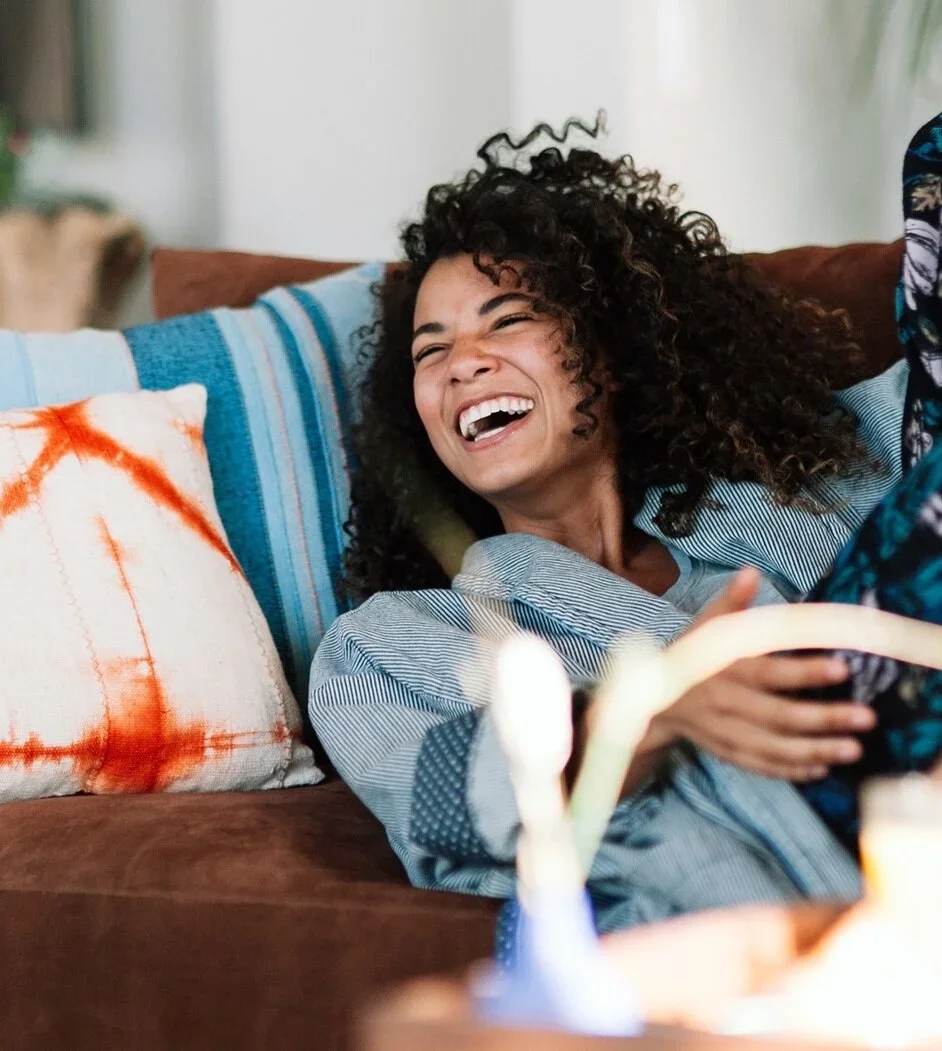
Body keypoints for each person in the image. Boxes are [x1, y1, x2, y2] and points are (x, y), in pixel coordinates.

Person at [310, 113, 942, 939]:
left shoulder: (783, 487)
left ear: (607, 352)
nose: (464, 361)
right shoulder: (387, 638)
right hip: (772, 847)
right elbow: (442, 800)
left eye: (506, 320)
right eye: (431, 352)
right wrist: (656, 706)